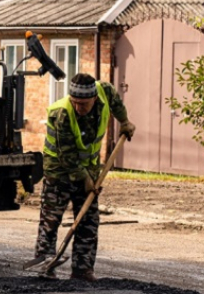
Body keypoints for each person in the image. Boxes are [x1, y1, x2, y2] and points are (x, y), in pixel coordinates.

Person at [31, 73, 135, 281]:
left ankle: (83, 269)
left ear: (94, 98)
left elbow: (116, 103)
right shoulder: (62, 113)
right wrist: (85, 180)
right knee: (51, 219)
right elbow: (67, 154)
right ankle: (45, 263)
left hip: (89, 169)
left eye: (84, 104)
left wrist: (124, 121)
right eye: (75, 102)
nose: (79, 107)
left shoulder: (104, 92)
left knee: (88, 221)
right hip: (58, 172)